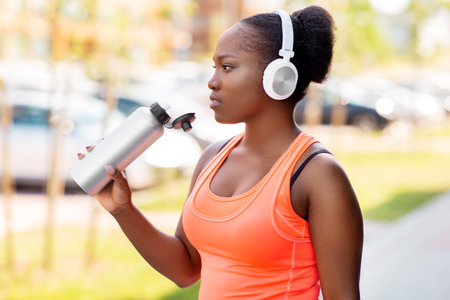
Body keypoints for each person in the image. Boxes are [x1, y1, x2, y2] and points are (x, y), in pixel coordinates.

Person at [79, 5, 363, 299]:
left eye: (227, 67)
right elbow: (186, 269)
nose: (212, 81)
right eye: (213, 67)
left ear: (279, 78)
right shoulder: (212, 158)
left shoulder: (318, 175)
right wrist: (122, 209)